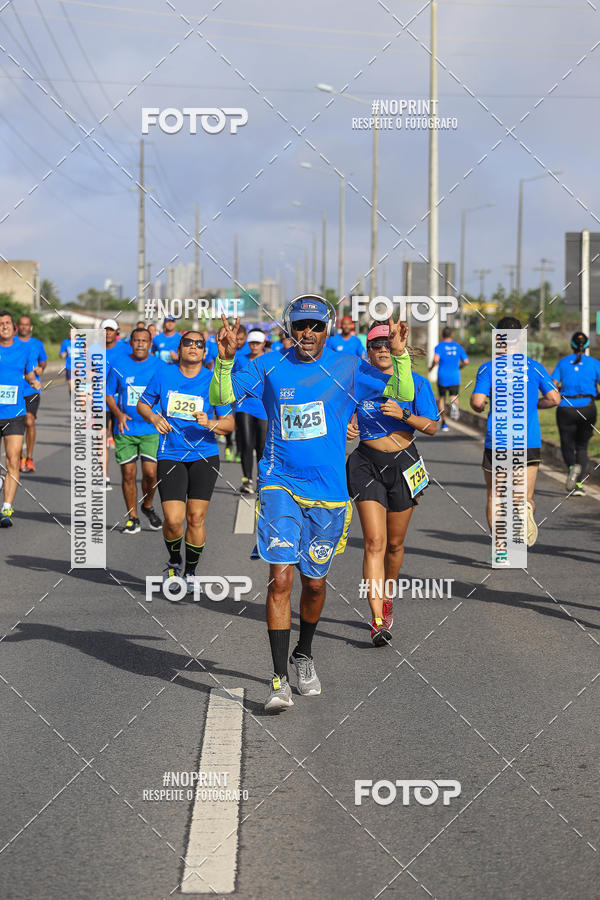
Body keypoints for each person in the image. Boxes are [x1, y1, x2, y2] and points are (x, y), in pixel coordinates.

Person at [209, 295, 414, 711]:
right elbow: (221, 396)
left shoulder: (348, 367)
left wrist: (400, 355)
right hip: (279, 483)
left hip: (329, 493)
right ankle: (278, 680)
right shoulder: (269, 365)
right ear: (290, 328)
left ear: (327, 330)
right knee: (281, 578)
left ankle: (303, 653)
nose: (308, 332)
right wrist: (225, 360)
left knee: (314, 583)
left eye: (316, 326)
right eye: (301, 325)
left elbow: (402, 392)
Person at [346, 323, 438, 646]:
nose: (383, 349)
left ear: (397, 347)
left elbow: (432, 427)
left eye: (388, 344)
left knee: (395, 545)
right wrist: (347, 426)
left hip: (404, 464)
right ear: (368, 351)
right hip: (365, 463)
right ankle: (376, 621)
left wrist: (404, 415)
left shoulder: (417, 383)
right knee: (375, 542)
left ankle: (387, 595)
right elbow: (339, 414)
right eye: (376, 345)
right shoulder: (357, 382)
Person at [137, 330, 234, 591]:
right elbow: (143, 404)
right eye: (188, 343)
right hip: (171, 454)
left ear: (204, 351)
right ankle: (173, 560)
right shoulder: (164, 374)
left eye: (199, 344)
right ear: (179, 349)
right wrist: (154, 417)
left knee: (196, 517)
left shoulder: (213, 380)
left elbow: (229, 424)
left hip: (204, 456)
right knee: (173, 519)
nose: (193, 347)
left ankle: (190, 572)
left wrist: (210, 422)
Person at [470, 316, 560, 547]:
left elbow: (477, 401)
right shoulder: (535, 367)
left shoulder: (488, 368)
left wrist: (481, 406)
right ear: (520, 338)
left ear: (497, 338)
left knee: (495, 496)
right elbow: (554, 398)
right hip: (527, 441)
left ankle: (501, 546)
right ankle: (525, 506)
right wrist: (535, 404)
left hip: (498, 442)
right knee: (524, 496)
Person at [106, 327, 163, 534]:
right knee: (128, 474)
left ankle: (147, 506)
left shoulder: (160, 366)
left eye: (144, 341)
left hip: (151, 428)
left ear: (150, 344)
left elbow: (169, 392)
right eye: (136, 340)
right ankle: (133, 517)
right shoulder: (119, 365)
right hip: (126, 429)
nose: (140, 344)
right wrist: (118, 414)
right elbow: (108, 393)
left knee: (150, 474)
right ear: (130, 343)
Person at [0, 310, 41, 527]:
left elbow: (29, 373)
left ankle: (6, 508)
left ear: (13, 327)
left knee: (13, 460)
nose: (4, 326)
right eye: (0, 324)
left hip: (14, 413)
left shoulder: (25, 349)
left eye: (7, 323)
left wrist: (33, 381)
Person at [551, 331, 600, 496]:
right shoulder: (595, 363)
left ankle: (572, 468)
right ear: (587, 346)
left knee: (567, 444)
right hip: (587, 407)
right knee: (582, 446)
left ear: (571, 345)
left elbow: (553, 384)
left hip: (566, 408)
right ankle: (578, 484)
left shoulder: (563, 362)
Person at [232, 329, 268, 494]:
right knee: (246, 443)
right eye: (252, 343)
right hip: (244, 405)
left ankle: (262, 479)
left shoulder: (269, 360)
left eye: (257, 343)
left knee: (262, 445)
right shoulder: (240, 359)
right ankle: (247, 480)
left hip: (264, 407)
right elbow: (231, 378)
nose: (254, 346)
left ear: (263, 343)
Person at [16, 314, 47, 473]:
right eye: (21, 324)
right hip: (15, 390)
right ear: (17, 326)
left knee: (29, 421)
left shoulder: (37, 344)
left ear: (31, 327)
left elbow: (43, 361)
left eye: (26, 324)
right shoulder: (10, 343)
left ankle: (29, 457)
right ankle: (20, 457)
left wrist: (41, 368)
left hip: (31, 389)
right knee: (16, 424)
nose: (24, 327)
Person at [429, 326, 468, 432]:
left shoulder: (439, 346)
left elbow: (436, 359)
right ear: (452, 335)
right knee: (453, 395)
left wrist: (431, 368)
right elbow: (466, 361)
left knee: (442, 398)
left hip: (443, 376)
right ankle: (454, 406)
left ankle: (444, 423)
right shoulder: (458, 347)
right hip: (455, 376)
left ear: (442, 335)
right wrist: (459, 367)